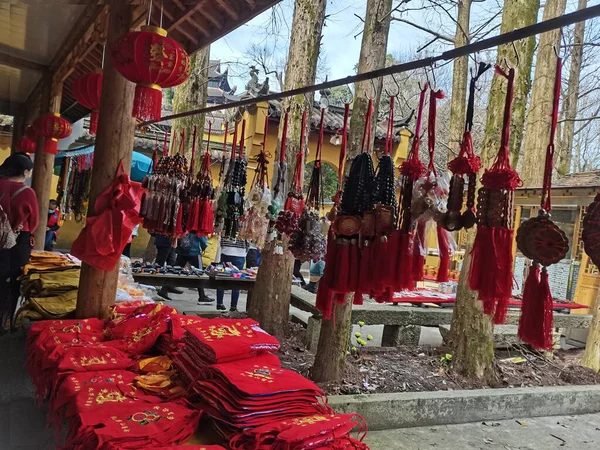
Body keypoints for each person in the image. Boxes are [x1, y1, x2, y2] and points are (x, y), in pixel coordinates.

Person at [0, 153, 38, 332]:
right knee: (14, 280)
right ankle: (6, 321)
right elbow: (35, 221)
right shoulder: (27, 192)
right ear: (25, 172)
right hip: (17, 242)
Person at [177, 232, 214, 304]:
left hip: (182, 251)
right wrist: (204, 247)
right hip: (194, 251)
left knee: (175, 271)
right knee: (200, 274)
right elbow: (202, 237)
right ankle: (202, 296)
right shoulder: (197, 224)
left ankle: (164, 290)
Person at [216, 237, 248, 312]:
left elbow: (222, 238)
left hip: (226, 252)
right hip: (240, 254)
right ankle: (233, 306)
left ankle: (219, 303)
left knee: (222, 277)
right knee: (236, 280)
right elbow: (248, 242)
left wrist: (224, 248)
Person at [154, 234, 182, 301]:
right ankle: (154, 285)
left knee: (172, 265)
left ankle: (166, 288)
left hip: (171, 241)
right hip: (165, 240)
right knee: (160, 264)